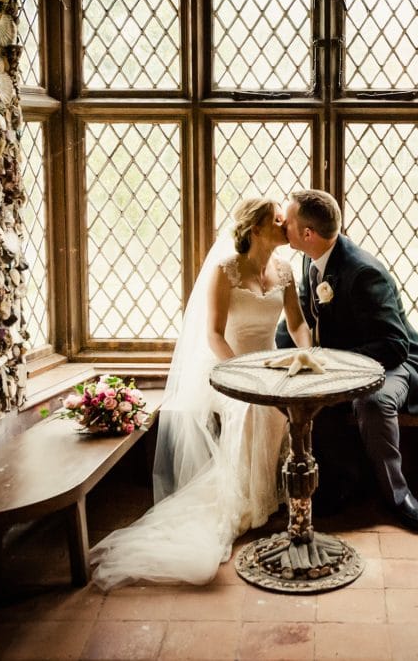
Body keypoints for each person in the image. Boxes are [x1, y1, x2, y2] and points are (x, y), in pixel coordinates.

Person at [89, 197, 313, 589]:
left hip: (271, 366)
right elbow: (212, 334)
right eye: (276, 220)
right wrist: (240, 376)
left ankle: (269, 498)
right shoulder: (226, 271)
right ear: (256, 229)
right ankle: (245, 501)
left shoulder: (286, 271)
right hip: (229, 366)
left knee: (284, 411)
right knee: (250, 411)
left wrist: (307, 353)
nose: (284, 225)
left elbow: (297, 325)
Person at [279, 188, 418, 533]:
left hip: (393, 366)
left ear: (308, 234)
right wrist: (285, 357)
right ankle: (344, 484)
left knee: (372, 402)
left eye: (289, 222)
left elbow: (395, 346)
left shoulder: (364, 272)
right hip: (345, 361)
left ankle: (397, 496)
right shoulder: (308, 258)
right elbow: (300, 315)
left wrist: (331, 361)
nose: (283, 225)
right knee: (306, 395)